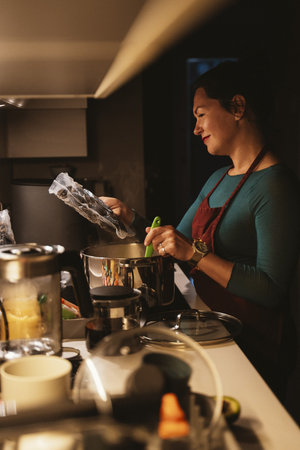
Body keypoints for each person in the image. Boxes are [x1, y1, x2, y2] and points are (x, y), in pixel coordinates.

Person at [101, 60, 300, 401]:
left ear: (237, 107)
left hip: (256, 344)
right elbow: (174, 243)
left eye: (201, 114)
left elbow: (271, 290)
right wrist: (130, 217)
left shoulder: (275, 185)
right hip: (215, 324)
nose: (196, 128)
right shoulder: (218, 178)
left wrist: (194, 253)